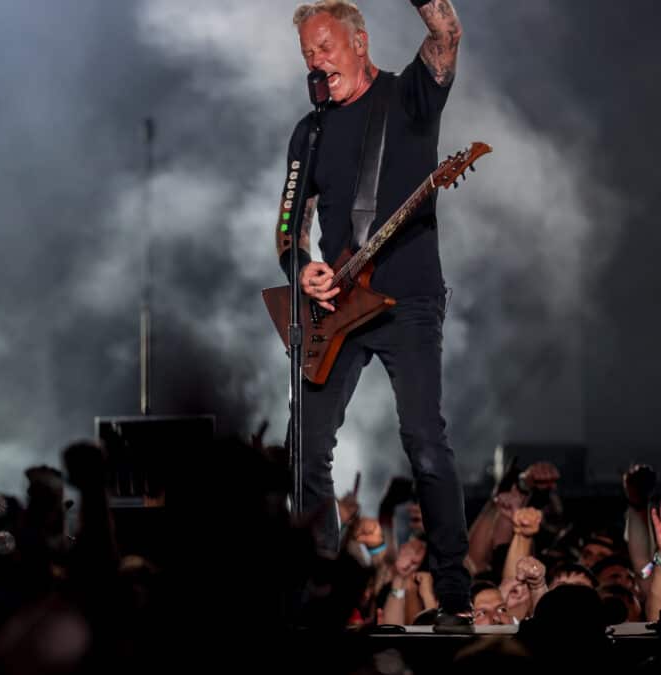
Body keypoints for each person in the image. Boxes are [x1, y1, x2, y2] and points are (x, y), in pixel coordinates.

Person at [275, 0, 471, 627]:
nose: (315, 57)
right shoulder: (309, 133)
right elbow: (288, 223)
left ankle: (455, 594)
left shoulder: (409, 96)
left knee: (425, 441)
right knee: (302, 447)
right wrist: (299, 267)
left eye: (325, 43)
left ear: (359, 42)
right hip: (338, 309)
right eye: (307, 49)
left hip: (409, 300)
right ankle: (322, 592)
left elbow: (446, 31)